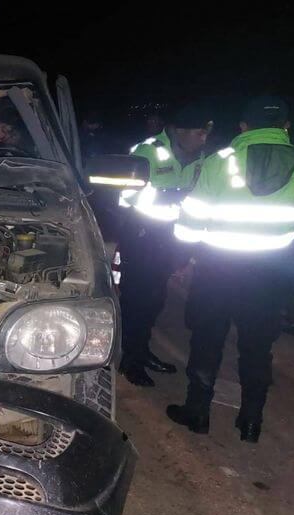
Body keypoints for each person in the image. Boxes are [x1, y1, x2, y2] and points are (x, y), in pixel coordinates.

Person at [167, 96, 294, 443]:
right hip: (270, 273)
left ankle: (198, 412)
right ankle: (250, 421)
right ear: (286, 127)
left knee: (207, 339)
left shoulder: (220, 162)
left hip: (219, 269)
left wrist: (183, 257)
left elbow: (190, 224)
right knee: (258, 347)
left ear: (243, 127)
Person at [117, 103, 213, 387]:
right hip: (142, 235)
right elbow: (127, 195)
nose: (203, 139)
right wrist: (174, 196)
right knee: (136, 299)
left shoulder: (200, 158)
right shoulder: (148, 151)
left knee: (156, 300)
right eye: (199, 133)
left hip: (170, 238)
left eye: (206, 134)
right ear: (180, 131)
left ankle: (141, 351)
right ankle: (129, 361)